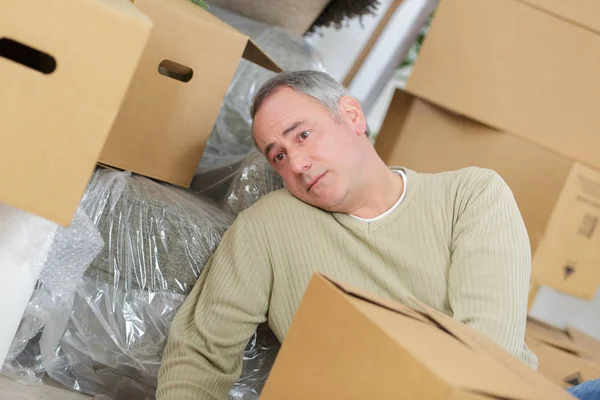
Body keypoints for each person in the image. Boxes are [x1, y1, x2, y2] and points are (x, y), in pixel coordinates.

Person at [156, 70, 538, 399]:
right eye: (279, 157)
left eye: (303, 135)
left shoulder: (470, 196)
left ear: (352, 116)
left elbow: (489, 357)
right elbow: (199, 353)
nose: (298, 164)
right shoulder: (268, 228)